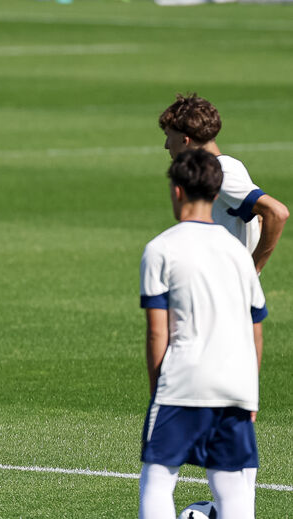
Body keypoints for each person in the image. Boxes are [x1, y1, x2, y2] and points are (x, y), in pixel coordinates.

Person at [138, 149, 267, 519]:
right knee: (232, 486)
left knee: (158, 479)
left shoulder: (160, 248)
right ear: (215, 193)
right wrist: (249, 391)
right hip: (236, 383)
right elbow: (255, 329)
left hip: (183, 379)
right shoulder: (240, 254)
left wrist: (158, 390)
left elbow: (157, 333)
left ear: (177, 190)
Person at [159, 93, 288, 273]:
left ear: (184, 139)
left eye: (168, 136)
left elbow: (277, 213)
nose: (166, 145)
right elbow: (257, 217)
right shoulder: (227, 166)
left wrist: (253, 269)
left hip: (227, 286)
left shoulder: (223, 173)